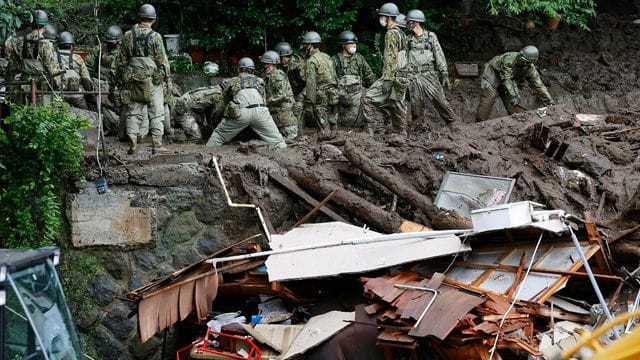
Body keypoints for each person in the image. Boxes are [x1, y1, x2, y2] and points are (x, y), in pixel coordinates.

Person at [113, 3, 171, 154]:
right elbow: (162, 62)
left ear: (139, 17)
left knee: (134, 111)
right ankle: (157, 145)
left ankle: (132, 142)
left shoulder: (127, 35)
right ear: (153, 19)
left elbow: (120, 61)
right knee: (157, 112)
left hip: (134, 80)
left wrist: (123, 79)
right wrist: (165, 79)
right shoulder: (156, 37)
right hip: (152, 81)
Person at [206, 57, 286, 148]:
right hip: (261, 112)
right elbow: (264, 100)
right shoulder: (260, 81)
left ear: (238, 69)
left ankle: (208, 152)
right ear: (253, 70)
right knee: (278, 142)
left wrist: (215, 121)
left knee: (218, 137)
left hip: (240, 113)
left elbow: (222, 104)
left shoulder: (233, 81)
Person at [399, 9, 457, 126]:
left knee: (441, 101)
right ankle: (419, 129)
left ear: (417, 22)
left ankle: (454, 124)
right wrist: (403, 75)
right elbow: (403, 58)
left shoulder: (431, 37)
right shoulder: (407, 39)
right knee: (416, 106)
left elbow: (439, 54)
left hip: (429, 74)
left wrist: (444, 73)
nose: (408, 24)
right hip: (413, 76)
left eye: (410, 22)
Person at [359, 2, 407, 136]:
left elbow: (391, 58)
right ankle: (400, 134)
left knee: (368, 98)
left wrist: (387, 79)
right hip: (401, 75)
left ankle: (371, 132)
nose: (380, 19)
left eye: (382, 16)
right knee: (397, 104)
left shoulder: (391, 33)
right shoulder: (401, 33)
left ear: (388, 17)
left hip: (392, 75)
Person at [475, 45, 553, 122]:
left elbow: (539, 85)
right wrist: (513, 95)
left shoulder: (530, 70)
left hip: (509, 78)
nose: (520, 59)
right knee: (489, 97)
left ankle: (517, 124)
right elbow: (506, 78)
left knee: (513, 103)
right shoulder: (509, 59)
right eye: (521, 57)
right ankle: (480, 124)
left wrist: (549, 101)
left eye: (524, 60)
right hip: (493, 73)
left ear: (529, 63)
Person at [5, 10, 59, 104]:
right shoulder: (46, 45)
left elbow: (11, 67)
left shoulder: (18, 42)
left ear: (31, 25)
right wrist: (57, 86)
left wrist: (9, 83)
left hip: (23, 85)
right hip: (42, 86)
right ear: (45, 27)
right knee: (42, 114)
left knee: (23, 112)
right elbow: (52, 70)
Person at [86, 25, 124, 136]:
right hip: (100, 84)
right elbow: (87, 67)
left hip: (116, 85)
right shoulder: (99, 50)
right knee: (101, 105)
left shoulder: (122, 52)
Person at [171, 62, 225, 139]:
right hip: (183, 110)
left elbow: (209, 110)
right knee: (196, 136)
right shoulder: (218, 95)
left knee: (203, 131)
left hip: (191, 108)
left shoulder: (215, 89)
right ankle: (173, 132)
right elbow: (216, 115)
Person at [332, 30, 374, 127]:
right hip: (342, 94)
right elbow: (330, 80)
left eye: (354, 43)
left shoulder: (359, 58)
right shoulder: (335, 60)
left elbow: (369, 76)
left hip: (357, 94)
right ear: (343, 45)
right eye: (350, 43)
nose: (354, 45)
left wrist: (372, 90)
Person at [301, 31, 339, 131]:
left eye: (306, 44)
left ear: (310, 45)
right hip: (333, 93)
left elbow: (311, 83)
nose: (305, 46)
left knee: (323, 125)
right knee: (333, 122)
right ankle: (336, 140)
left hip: (321, 95)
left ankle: (327, 142)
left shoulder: (311, 60)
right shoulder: (327, 56)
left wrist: (310, 101)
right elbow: (334, 75)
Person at [260, 50, 298, 139]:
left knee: (290, 137)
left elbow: (281, 94)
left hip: (285, 113)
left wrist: (266, 101)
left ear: (273, 64)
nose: (265, 66)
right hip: (277, 111)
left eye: (267, 64)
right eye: (264, 64)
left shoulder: (278, 76)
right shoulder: (268, 76)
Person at [55, 31, 94, 109]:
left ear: (58, 45)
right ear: (72, 46)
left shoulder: (53, 57)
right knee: (85, 113)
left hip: (58, 94)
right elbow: (86, 79)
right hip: (76, 95)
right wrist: (90, 92)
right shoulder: (77, 58)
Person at [274, 41, 306, 133]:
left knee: (297, 107)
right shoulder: (279, 66)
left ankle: (299, 132)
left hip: (301, 94)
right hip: (287, 94)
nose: (283, 59)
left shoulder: (299, 66)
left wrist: (301, 96)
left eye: (285, 57)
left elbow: (310, 84)